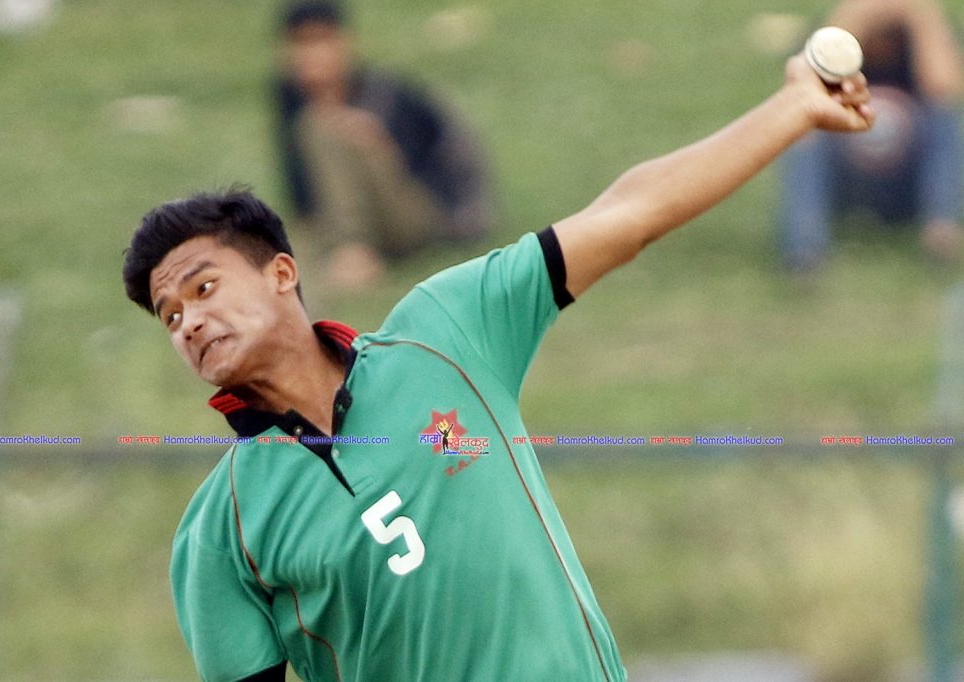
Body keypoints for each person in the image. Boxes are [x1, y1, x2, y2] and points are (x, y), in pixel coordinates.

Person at [122, 52, 873, 681]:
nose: (190, 322)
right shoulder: (223, 532)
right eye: (170, 314)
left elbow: (629, 213)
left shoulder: (443, 331)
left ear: (283, 273)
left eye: (203, 288)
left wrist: (792, 111)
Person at [271, 0, 492, 290]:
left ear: (345, 41)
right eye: (301, 43)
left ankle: (354, 250)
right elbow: (299, 192)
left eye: (322, 40)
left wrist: (372, 141)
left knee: (322, 127)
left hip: (424, 215)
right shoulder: (290, 96)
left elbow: (437, 168)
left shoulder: (387, 93)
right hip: (346, 218)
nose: (312, 54)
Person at [779, 0, 964, 271]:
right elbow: (810, 91)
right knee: (808, 129)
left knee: (943, 119)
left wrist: (921, 15)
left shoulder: (923, 36)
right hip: (849, 176)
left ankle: (940, 234)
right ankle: (805, 250)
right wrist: (855, 17)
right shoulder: (839, 32)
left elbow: (943, 89)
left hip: (909, 177)